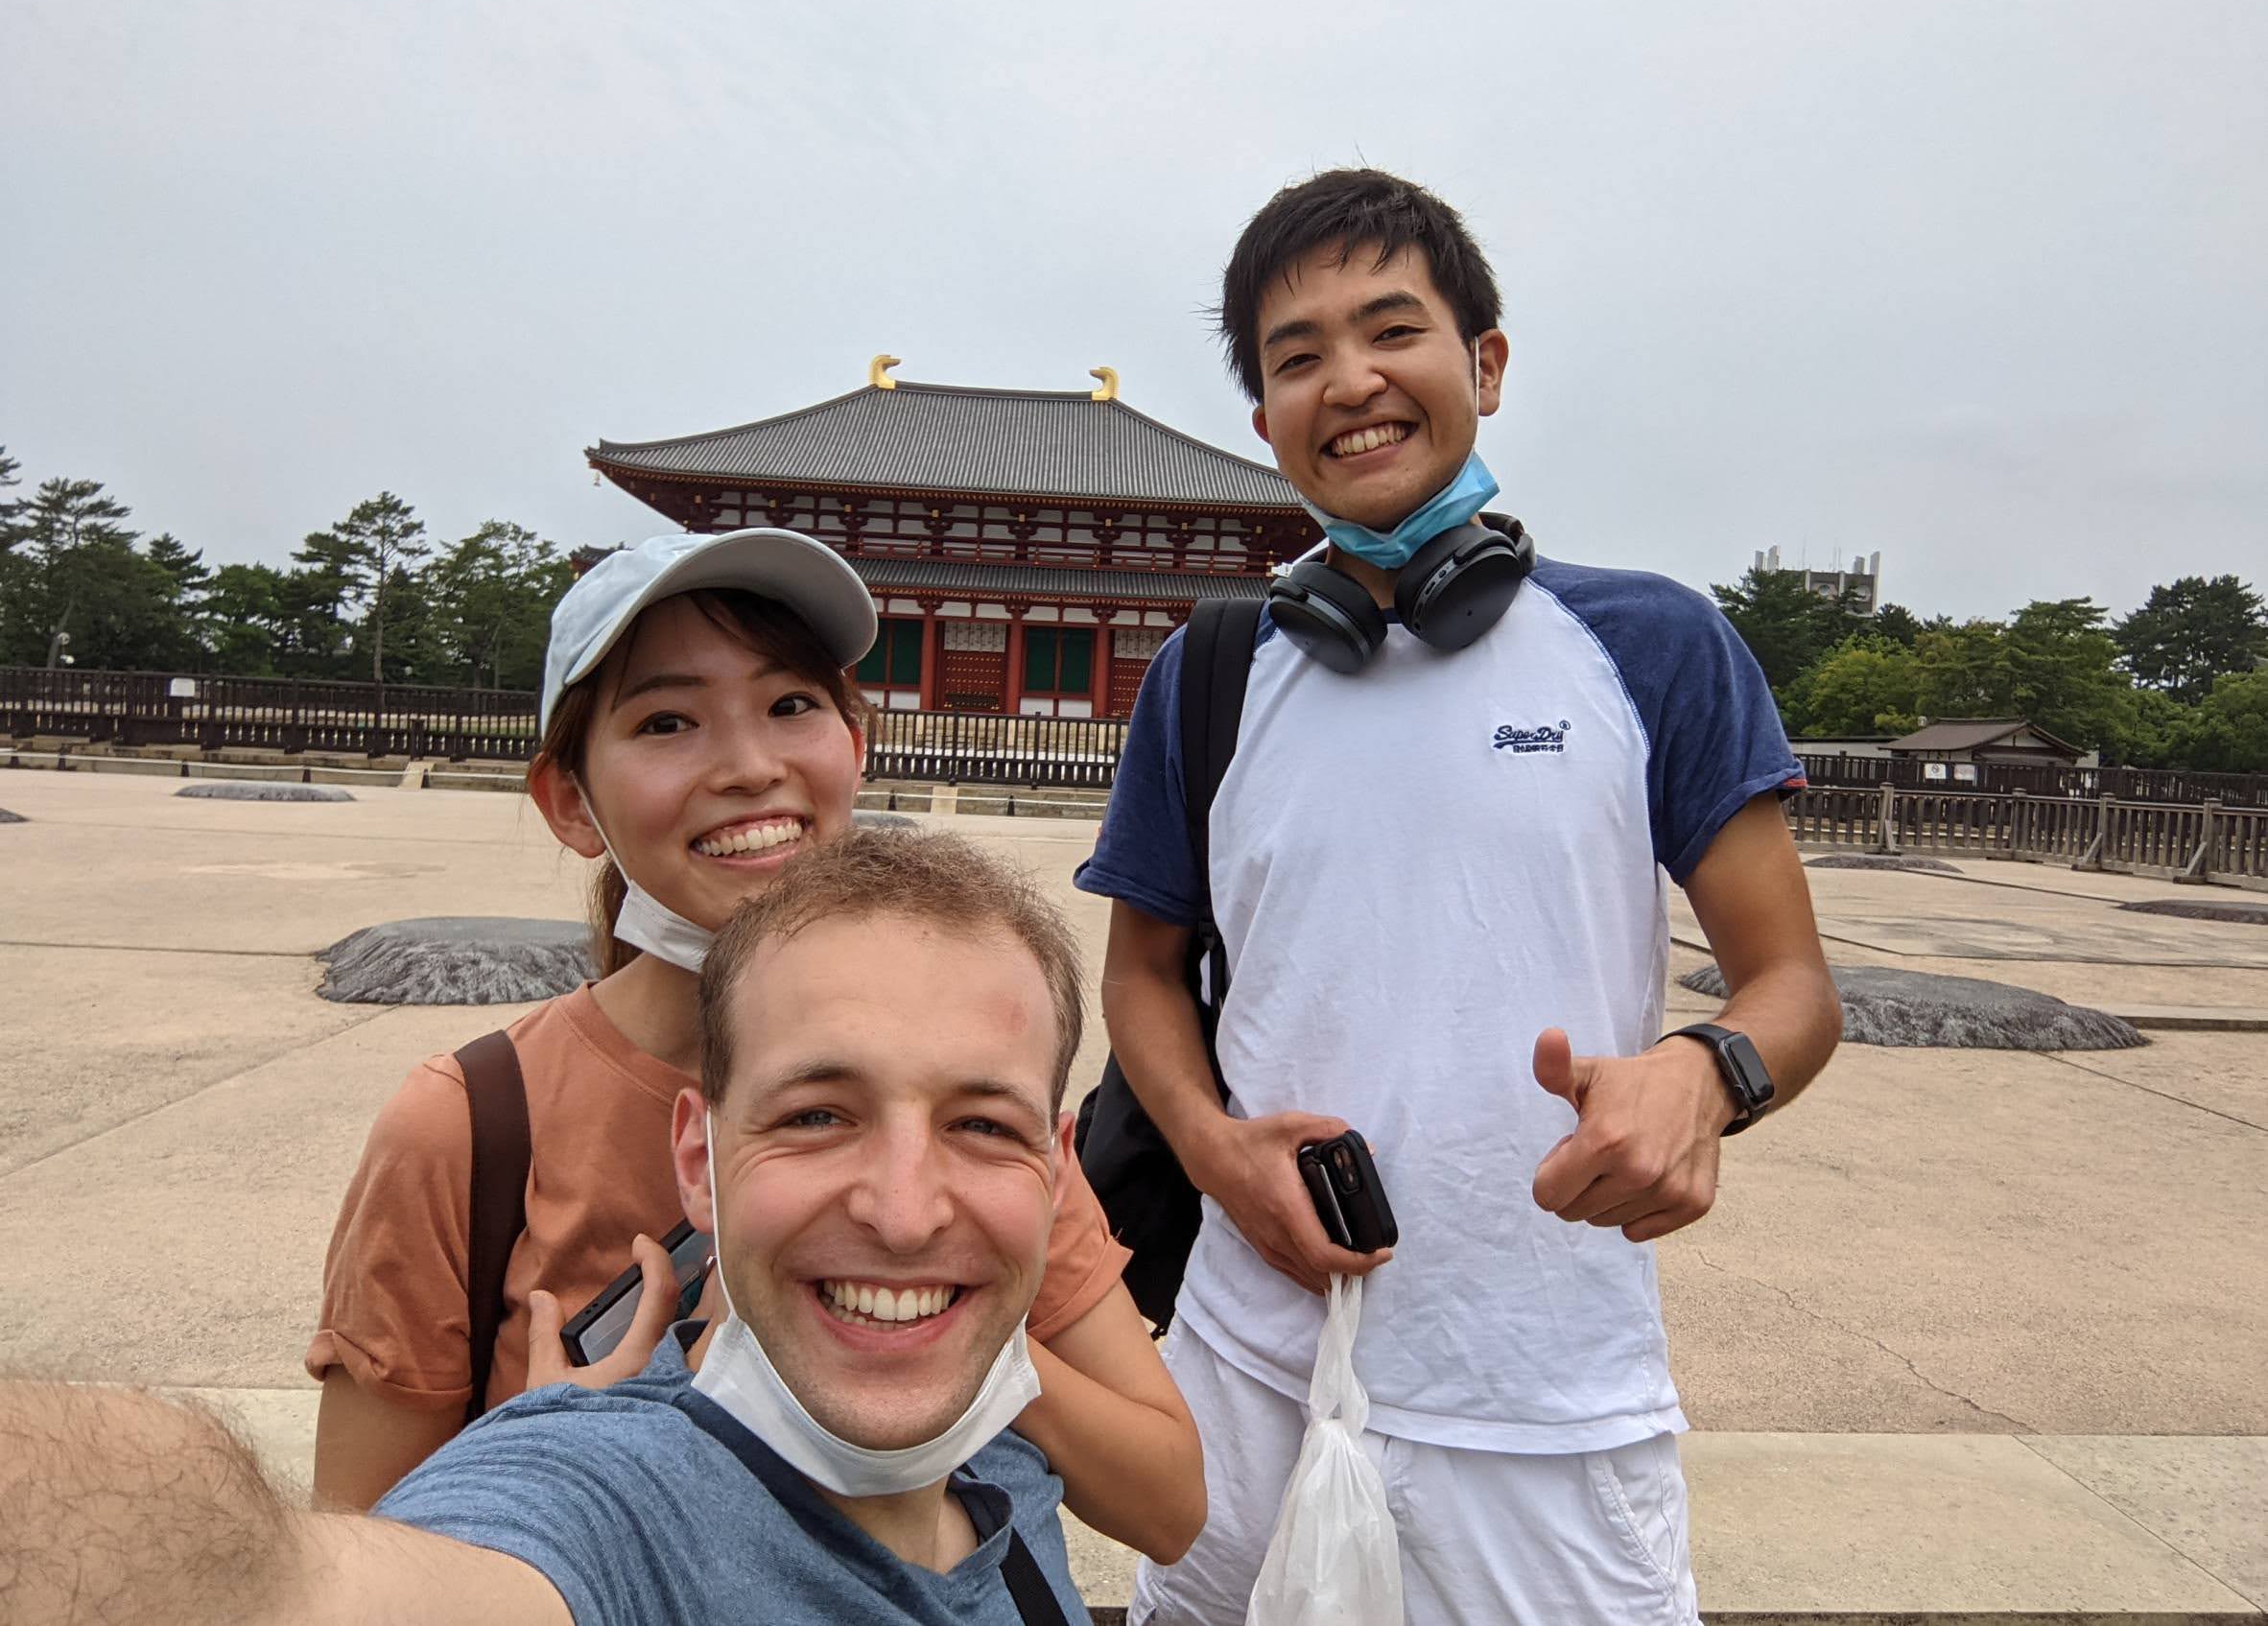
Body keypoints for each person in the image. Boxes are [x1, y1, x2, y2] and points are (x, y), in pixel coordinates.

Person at [1080, 169, 1843, 1624]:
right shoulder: (1215, 671)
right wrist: (1218, 1150)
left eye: (1393, 329)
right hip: (1248, 1373)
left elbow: (1795, 987)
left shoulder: (1653, 645)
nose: (1350, 381)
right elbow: (1142, 975)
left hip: (1543, 1393)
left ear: (1484, 365)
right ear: (1263, 423)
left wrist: (1707, 1071)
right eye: (1296, 356)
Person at [308, 528, 1202, 1563]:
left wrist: (969, 1342)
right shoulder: (470, 1125)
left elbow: (1167, 1504)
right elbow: (350, 1555)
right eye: (668, 721)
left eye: (790, 706)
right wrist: (557, 1450)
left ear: (855, 745)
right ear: (568, 799)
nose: (748, 767)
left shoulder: (960, 1097)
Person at [1, 829, 1099, 1624]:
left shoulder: (1008, 1469)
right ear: (697, 1161)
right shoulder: (602, 1513)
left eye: (981, 1124)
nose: (904, 1212)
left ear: (1056, 1171)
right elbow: (268, 1586)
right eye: (816, 1115)